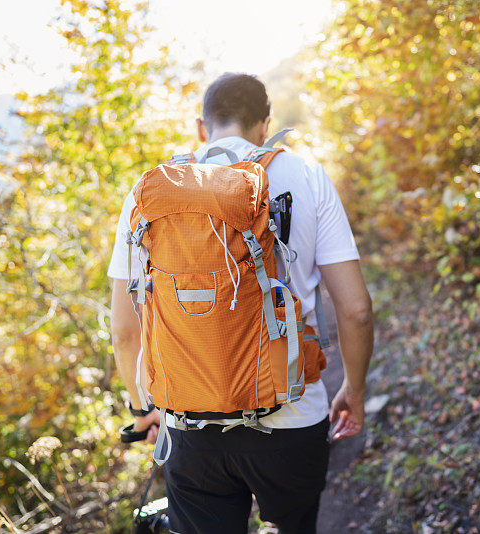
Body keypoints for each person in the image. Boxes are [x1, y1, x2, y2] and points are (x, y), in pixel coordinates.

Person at [107, 72, 374, 533]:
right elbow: (356, 310)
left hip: (190, 427)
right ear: (265, 125)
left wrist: (144, 405)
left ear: (200, 127)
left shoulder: (149, 191)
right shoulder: (305, 175)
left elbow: (125, 330)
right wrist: (354, 389)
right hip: (292, 416)